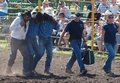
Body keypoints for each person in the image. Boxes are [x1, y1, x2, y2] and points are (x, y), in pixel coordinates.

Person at [6, 10, 32, 77]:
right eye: (27, 17)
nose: (28, 19)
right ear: (24, 16)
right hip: (15, 40)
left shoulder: (27, 21)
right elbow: (11, 28)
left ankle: (25, 71)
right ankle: (8, 69)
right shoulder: (17, 19)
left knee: (26, 55)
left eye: (29, 18)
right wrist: (20, 25)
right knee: (13, 55)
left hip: (22, 40)